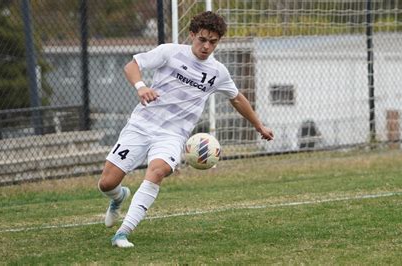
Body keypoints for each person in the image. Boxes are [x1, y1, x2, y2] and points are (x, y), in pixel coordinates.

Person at [98, 11, 274, 248]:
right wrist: (141, 87)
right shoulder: (169, 52)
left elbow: (237, 98)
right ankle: (119, 197)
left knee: (157, 171)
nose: (206, 46)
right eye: (202, 39)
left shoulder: (217, 72)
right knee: (107, 183)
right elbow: (132, 66)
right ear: (192, 35)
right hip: (141, 125)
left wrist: (258, 125)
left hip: (172, 135)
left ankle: (123, 232)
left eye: (213, 42)